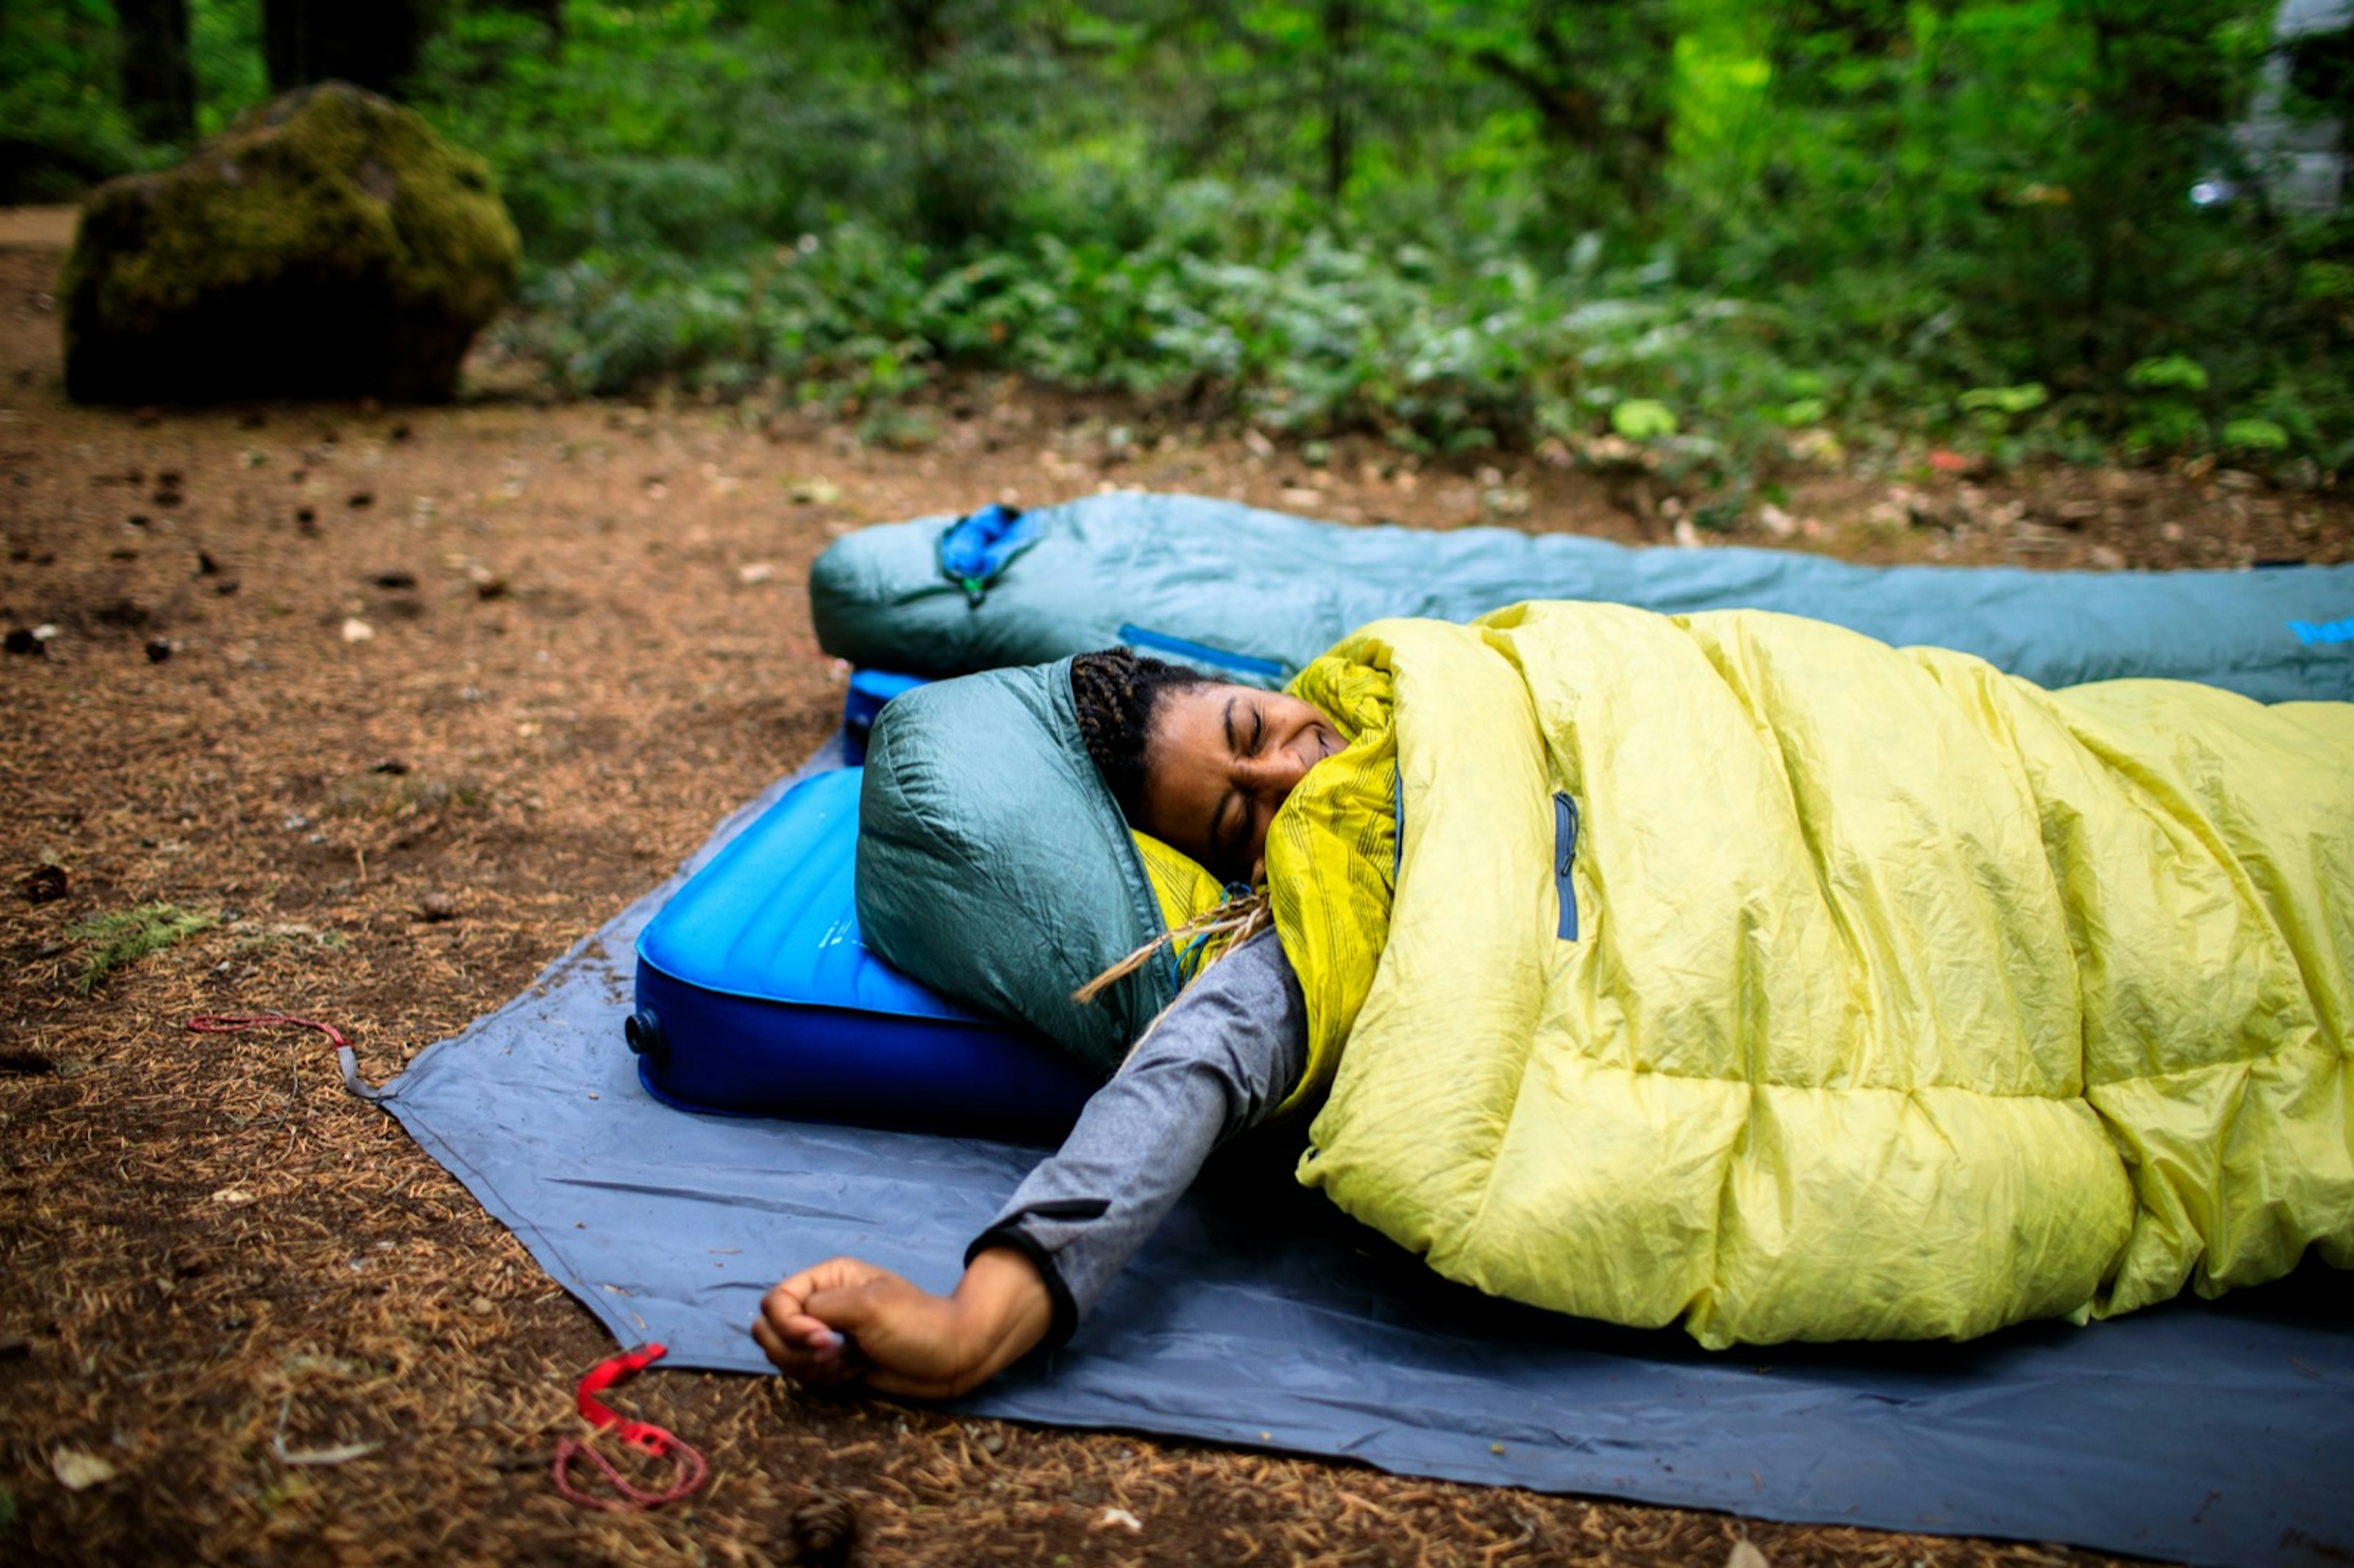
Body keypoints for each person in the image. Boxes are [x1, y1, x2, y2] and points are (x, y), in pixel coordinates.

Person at [753, 650, 1331, 1396]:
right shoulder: (1304, 936)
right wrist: (972, 1325)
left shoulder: (1382, 682)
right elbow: (1191, 1063)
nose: (1290, 777)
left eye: (1252, 728)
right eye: (1242, 819)